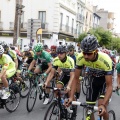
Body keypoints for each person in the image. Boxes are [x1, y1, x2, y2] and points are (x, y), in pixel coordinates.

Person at [67, 35, 113, 120]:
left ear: (96, 51)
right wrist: (71, 96)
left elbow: (109, 86)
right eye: (84, 53)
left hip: (104, 81)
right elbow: (76, 79)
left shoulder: (105, 60)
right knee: (88, 109)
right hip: (93, 80)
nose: (86, 56)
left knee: (100, 106)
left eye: (89, 53)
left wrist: (103, 105)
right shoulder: (80, 57)